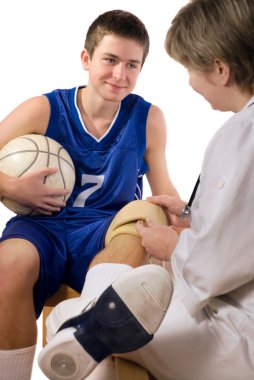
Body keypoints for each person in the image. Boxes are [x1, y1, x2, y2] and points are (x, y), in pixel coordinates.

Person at [0, 9, 178, 380]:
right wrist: (11, 186)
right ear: (86, 59)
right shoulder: (45, 108)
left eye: (132, 65)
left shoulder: (148, 119)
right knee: (7, 266)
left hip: (106, 231)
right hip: (43, 227)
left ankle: (89, 328)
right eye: (110, 60)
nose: (120, 74)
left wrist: (198, 227)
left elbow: (166, 196)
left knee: (146, 212)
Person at [132, 0, 254, 379]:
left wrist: (171, 244)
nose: (188, 81)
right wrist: (192, 213)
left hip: (238, 336)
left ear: (219, 69)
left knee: (81, 318)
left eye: (188, 68)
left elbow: (214, 266)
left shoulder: (242, 135)